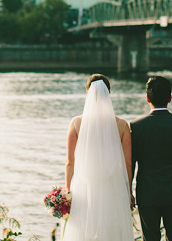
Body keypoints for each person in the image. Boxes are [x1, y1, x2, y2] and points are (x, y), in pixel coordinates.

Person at [63, 74, 134, 241]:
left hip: (84, 188)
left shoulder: (76, 123)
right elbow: (128, 163)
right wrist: (129, 191)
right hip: (113, 188)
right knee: (112, 231)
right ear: (108, 93)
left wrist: (67, 191)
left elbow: (69, 162)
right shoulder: (122, 125)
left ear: (88, 93)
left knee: (83, 231)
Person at [130, 76, 172, 241]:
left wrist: (128, 190)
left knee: (150, 238)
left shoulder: (136, 126)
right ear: (170, 98)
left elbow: (130, 163)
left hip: (147, 193)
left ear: (147, 98)